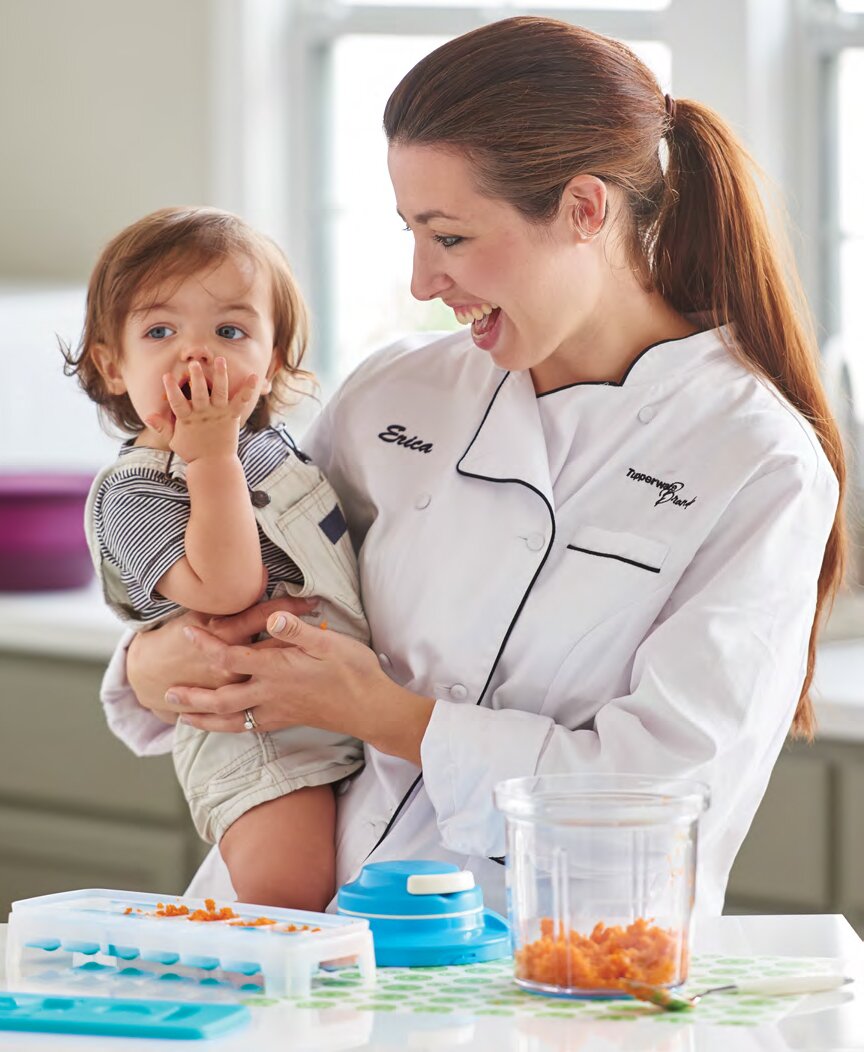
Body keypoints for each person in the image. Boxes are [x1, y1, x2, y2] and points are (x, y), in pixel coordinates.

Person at [97, 17, 845, 918]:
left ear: (584, 210)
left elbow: (661, 804)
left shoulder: (756, 461)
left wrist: (384, 713)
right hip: (281, 934)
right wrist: (150, 665)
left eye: (448, 237)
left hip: (535, 955)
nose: (421, 280)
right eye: (411, 233)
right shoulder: (393, 392)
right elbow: (250, 592)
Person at [67, 206, 369, 910]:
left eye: (230, 332)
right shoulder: (137, 491)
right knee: (290, 895)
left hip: (338, 708)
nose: (196, 357)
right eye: (160, 332)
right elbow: (226, 589)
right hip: (259, 737)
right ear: (113, 366)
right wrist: (208, 460)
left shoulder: (267, 449)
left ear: (271, 365)